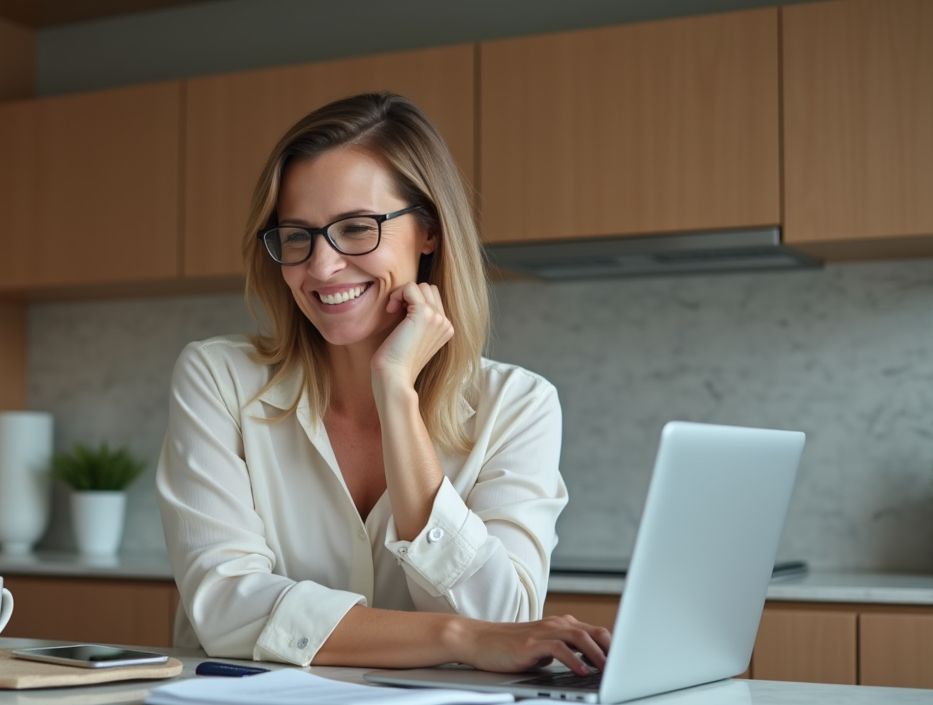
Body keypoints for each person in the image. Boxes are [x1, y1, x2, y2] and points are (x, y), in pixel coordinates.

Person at [156, 92, 610, 674]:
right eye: (297, 235)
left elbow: (506, 612)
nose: (321, 267)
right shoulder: (219, 380)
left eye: (355, 228)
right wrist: (460, 638)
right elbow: (225, 607)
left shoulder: (519, 406)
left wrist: (396, 392)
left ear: (429, 231)